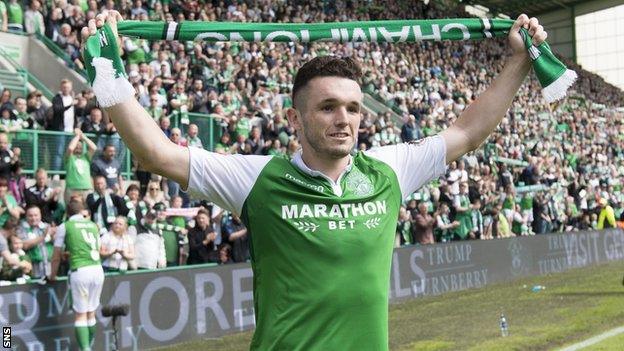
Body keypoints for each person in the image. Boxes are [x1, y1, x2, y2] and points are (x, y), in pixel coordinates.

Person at [82, 11, 547, 350]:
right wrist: (107, 68)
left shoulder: (389, 170)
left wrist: (519, 62)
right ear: (295, 117)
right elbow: (156, 153)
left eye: (352, 107)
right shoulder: (258, 178)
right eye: (327, 107)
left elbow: (466, 132)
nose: (343, 119)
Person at [49, 199, 104, 351]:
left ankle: (85, 349)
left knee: (80, 315)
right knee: (91, 313)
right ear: (81, 212)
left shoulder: (65, 226)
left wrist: (52, 275)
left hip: (81, 271)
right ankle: (88, 346)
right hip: (98, 270)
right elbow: (97, 249)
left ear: (68, 213)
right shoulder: (93, 225)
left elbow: (55, 256)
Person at [18, 205, 55, 278]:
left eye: (36, 215)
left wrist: (55, 235)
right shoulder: (21, 229)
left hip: (49, 268)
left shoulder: (46, 226)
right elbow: (25, 245)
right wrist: (43, 236)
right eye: (30, 216)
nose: (33, 218)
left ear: (40, 215)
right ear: (26, 216)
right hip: (33, 270)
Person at [64, 128, 97, 204]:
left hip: (87, 189)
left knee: (88, 212)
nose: (78, 148)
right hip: (72, 190)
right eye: (77, 146)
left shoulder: (86, 157)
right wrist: (77, 136)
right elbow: (70, 148)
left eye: (80, 147)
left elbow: (94, 148)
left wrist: (83, 136)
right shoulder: (69, 158)